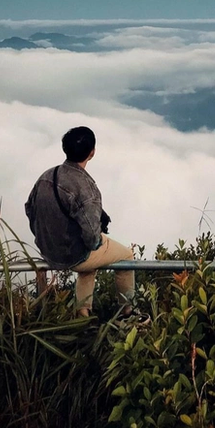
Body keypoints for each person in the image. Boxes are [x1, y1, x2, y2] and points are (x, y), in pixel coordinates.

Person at [25, 126, 144, 321]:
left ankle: (83, 314)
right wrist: (97, 240)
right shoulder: (87, 189)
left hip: (46, 249)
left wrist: (44, 236)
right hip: (72, 255)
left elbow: (30, 209)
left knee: (90, 262)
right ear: (92, 153)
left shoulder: (47, 176)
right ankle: (127, 313)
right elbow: (91, 238)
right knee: (126, 257)